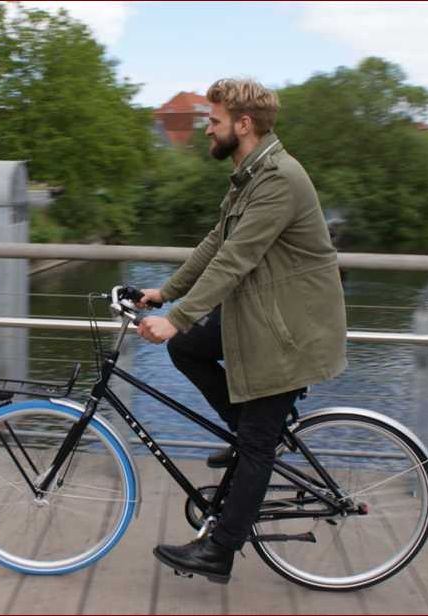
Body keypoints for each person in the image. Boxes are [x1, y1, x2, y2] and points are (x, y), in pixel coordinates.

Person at [135, 78, 347, 584]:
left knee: (255, 446)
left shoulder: (279, 179)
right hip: (263, 318)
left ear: (243, 125)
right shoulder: (250, 175)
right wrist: (165, 294)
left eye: (214, 121)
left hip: (291, 331)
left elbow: (237, 259)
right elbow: (216, 243)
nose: (207, 128)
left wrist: (177, 317)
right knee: (187, 349)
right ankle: (251, 433)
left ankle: (220, 552)